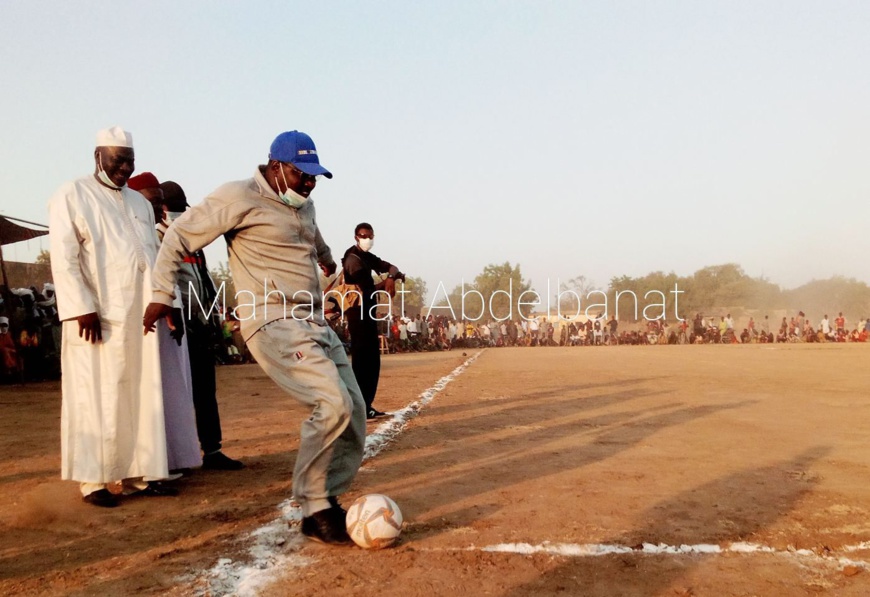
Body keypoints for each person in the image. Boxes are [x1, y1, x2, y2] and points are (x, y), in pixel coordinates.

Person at [144, 130, 366, 545]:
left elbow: (312, 236)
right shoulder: (238, 197)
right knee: (329, 402)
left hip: (314, 321)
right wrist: (160, 294)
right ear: (277, 167)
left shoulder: (304, 204)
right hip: (272, 321)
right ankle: (316, 506)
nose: (310, 183)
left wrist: (328, 260)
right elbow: (178, 236)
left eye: (315, 176)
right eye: (303, 175)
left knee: (353, 407)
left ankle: (327, 495)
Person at [47, 126, 181, 508]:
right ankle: (94, 481)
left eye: (130, 162)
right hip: (97, 317)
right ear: (98, 157)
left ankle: (141, 473)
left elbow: (152, 257)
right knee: (96, 394)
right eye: (117, 160)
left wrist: (162, 300)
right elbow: (64, 258)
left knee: (142, 393)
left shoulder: (138, 202)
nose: (124, 168)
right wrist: (80, 307)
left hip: (139, 316)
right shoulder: (72, 194)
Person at [159, 180, 244, 470]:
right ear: (161, 210)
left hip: (201, 324)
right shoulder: (157, 240)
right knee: (177, 393)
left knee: (205, 391)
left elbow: (204, 283)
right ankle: (176, 456)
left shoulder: (194, 244)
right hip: (175, 328)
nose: (180, 215)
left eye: (184, 209)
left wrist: (213, 320)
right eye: (175, 209)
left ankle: (212, 450)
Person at [127, 173, 202, 474]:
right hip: (139, 320)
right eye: (153, 201)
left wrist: (177, 311)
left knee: (176, 393)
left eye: (161, 202)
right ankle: (144, 466)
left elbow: (176, 281)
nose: (159, 208)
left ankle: (171, 459)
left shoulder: (174, 235)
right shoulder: (141, 233)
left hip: (175, 318)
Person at [340, 222, 404, 420]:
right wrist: (385, 283)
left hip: (367, 312)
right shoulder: (353, 259)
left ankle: (366, 405)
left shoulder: (366, 257)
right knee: (362, 361)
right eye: (363, 235)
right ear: (356, 237)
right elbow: (365, 290)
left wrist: (391, 277)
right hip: (356, 313)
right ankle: (359, 406)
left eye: (370, 236)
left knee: (372, 361)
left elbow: (391, 267)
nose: (367, 239)